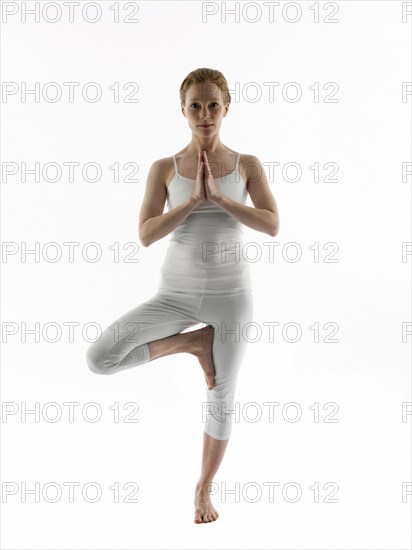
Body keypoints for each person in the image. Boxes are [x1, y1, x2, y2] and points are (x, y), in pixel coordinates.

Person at [85, 67, 279, 524]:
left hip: (231, 297)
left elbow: (272, 224)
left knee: (221, 393)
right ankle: (193, 343)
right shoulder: (164, 168)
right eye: (195, 105)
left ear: (227, 108)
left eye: (213, 105)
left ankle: (203, 489)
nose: (205, 114)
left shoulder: (247, 164)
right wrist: (191, 203)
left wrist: (222, 199)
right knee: (101, 358)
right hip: (175, 296)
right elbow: (146, 234)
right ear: (183, 110)